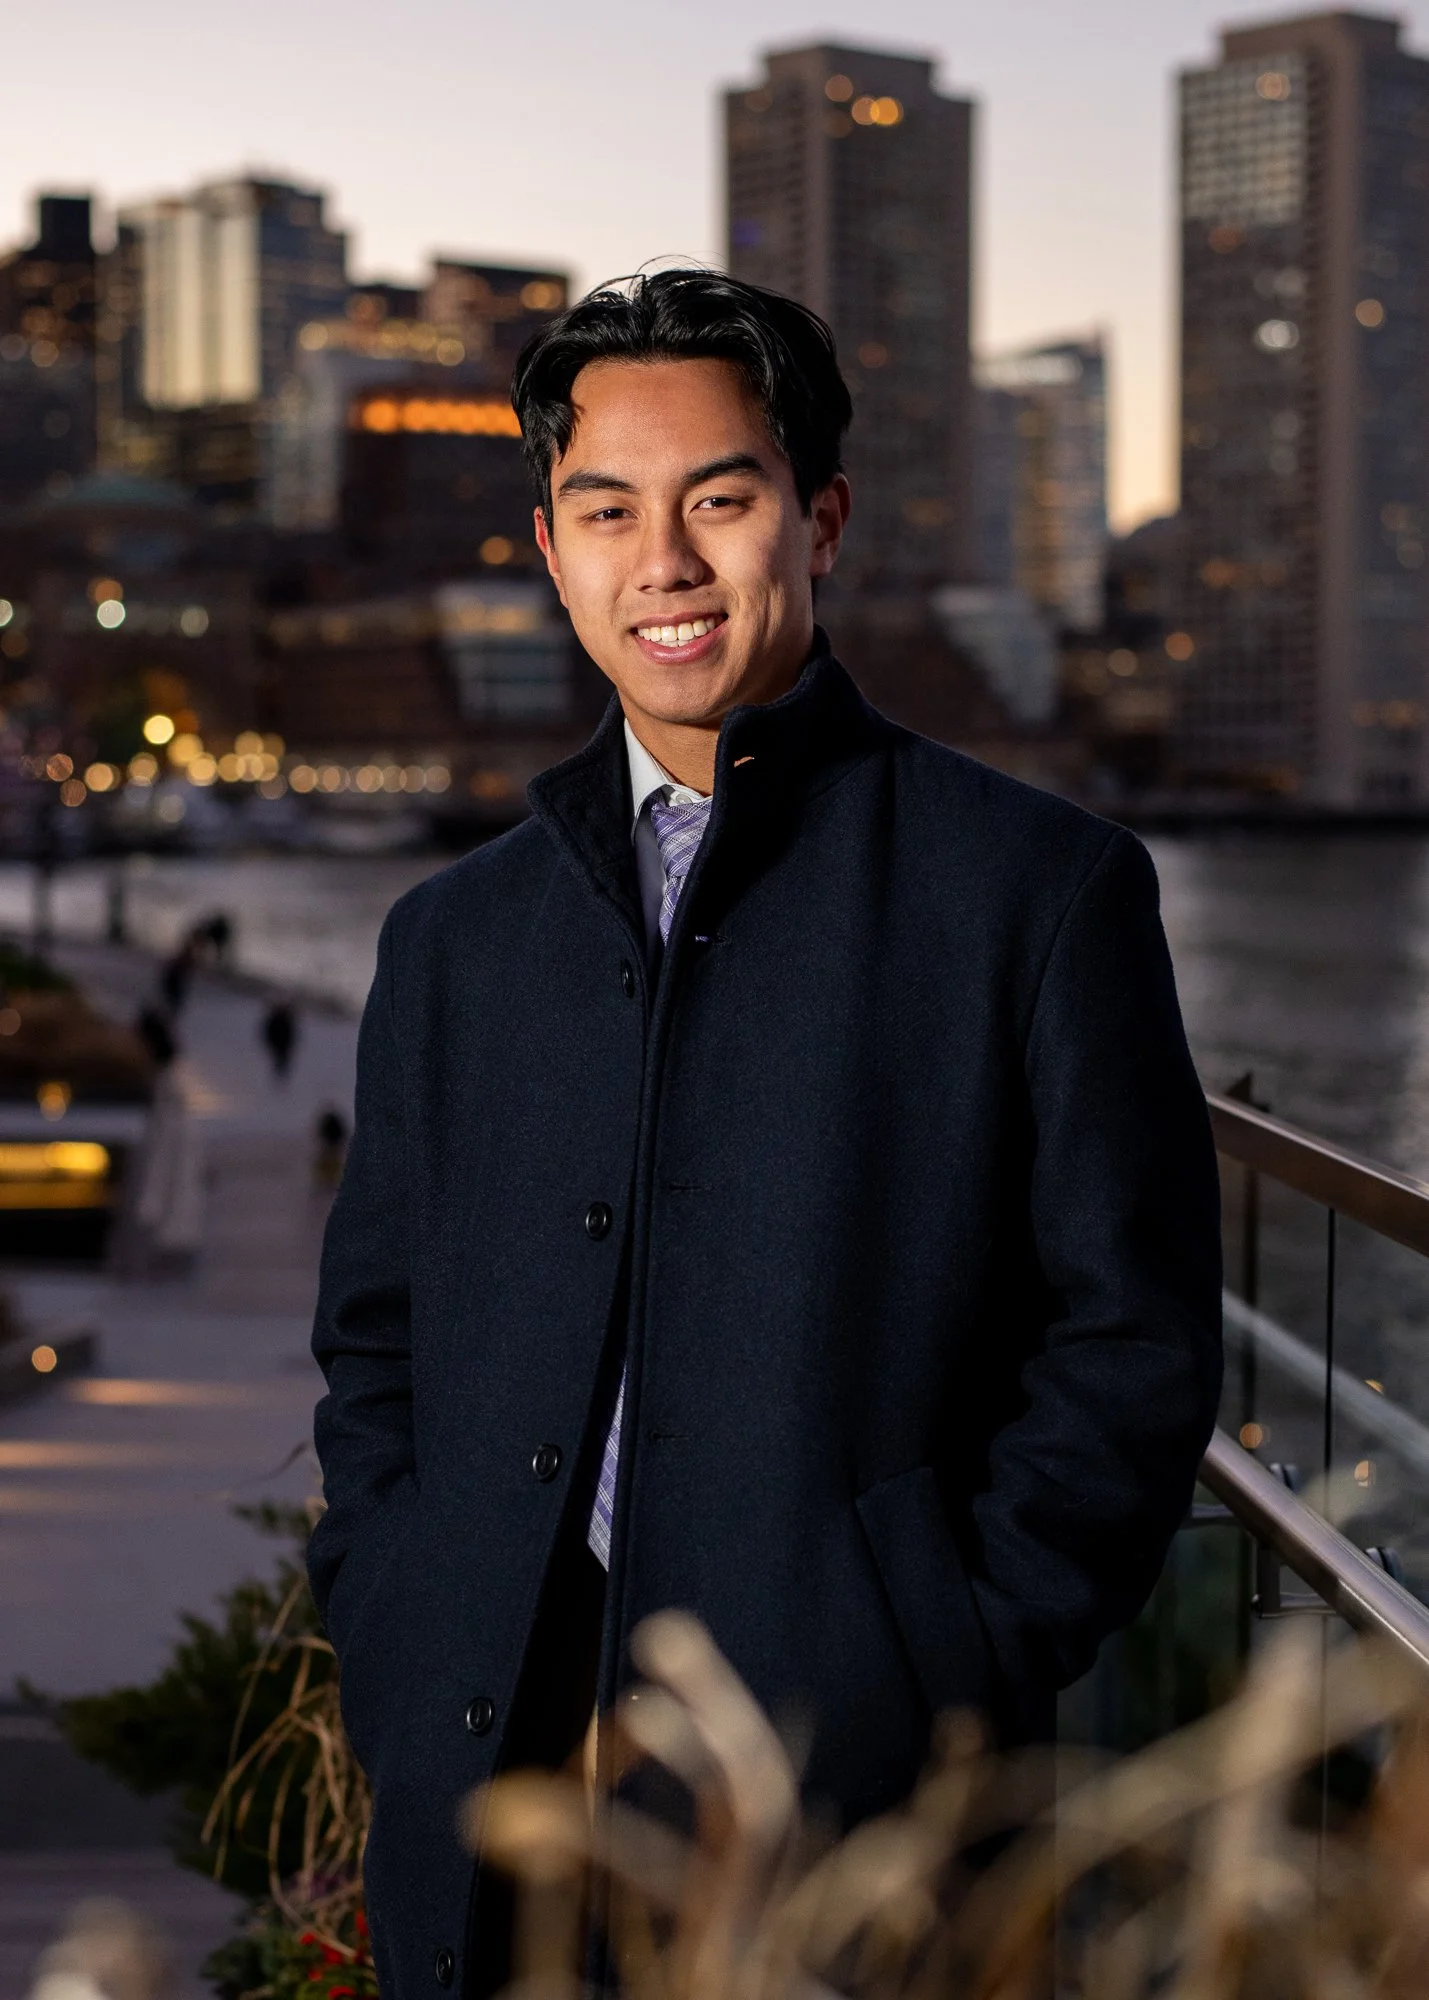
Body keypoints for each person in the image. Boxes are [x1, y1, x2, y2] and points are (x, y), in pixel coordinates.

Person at [308, 269, 1222, 1997]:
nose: (662, 561)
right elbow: (375, 1339)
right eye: (606, 509)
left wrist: (942, 1649)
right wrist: (395, 1602)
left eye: (717, 500)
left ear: (816, 518)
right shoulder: (451, 939)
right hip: (491, 1740)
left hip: (844, 1776)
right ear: (549, 542)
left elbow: (1131, 1341)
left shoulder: (1031, 893)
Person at [260, 999, 297, 1080]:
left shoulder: (287, 1019)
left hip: (283, 1045)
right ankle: (278, 1074)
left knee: (282, 1059)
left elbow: (291, 1033)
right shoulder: (276, 1019)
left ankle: (281, 1074)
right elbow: (270, 1030)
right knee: (278, 1058)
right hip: (278, 1044)